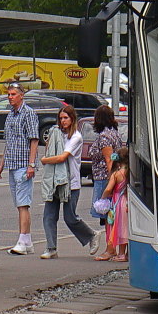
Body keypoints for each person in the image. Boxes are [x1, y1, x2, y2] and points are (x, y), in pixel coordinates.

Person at [39, 103, 94, 259]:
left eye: (65, 118)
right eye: (60, 118)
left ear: (72, 119)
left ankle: (91, 235)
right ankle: (51, 248)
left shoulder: (75, 137)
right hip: (53, 180)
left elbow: (63, 157)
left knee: (70, 217)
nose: (62, 121)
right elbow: (50, 148)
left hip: (70, 182)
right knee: (49, 215)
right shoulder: (57, 134)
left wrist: (45, 160)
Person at [0, 83, 40, 256]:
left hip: (23, 164)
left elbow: (34, 139)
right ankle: (26, 241)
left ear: (21, 95)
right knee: (19, 203)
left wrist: (31, 164)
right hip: (12, 163)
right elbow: (9, 142)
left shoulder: (28, 114)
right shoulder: (10, 115)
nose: (10, 97)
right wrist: (1, 165)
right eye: (8, 94)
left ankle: (23, 239)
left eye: (13, 94)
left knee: (23, 204)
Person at [88, 103, 123, 256]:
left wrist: (112, 181)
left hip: (104, 178)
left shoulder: (104, 137)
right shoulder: (115, 134)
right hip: (109, 176)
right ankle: (112, 247)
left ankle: (110, 248)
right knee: (111, 215)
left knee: (108, 214)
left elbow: (109, 160)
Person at [100, 155, 128, 262]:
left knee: (119, 227)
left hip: (118, 201)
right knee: (126, 227)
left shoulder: (116, 174)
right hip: (127, 201)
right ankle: (127, 253)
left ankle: (121, 254)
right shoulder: (130, 173)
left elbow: (108, 189)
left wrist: (102, 198)